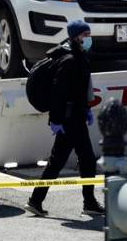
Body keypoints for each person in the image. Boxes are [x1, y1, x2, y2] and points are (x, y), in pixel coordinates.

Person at [24, 20, 104, 217]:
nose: (88, 39)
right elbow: (59, 94)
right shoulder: (69, 61)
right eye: (85, 35)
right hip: (70, 120)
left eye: (88, 35)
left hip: (75, 117)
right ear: (76, 36)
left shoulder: (78, 56)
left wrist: (85, 109)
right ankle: (87, 202)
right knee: (79, 160)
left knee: (72, 160)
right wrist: (56, 120)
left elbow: (77, 91)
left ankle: (38, 200)